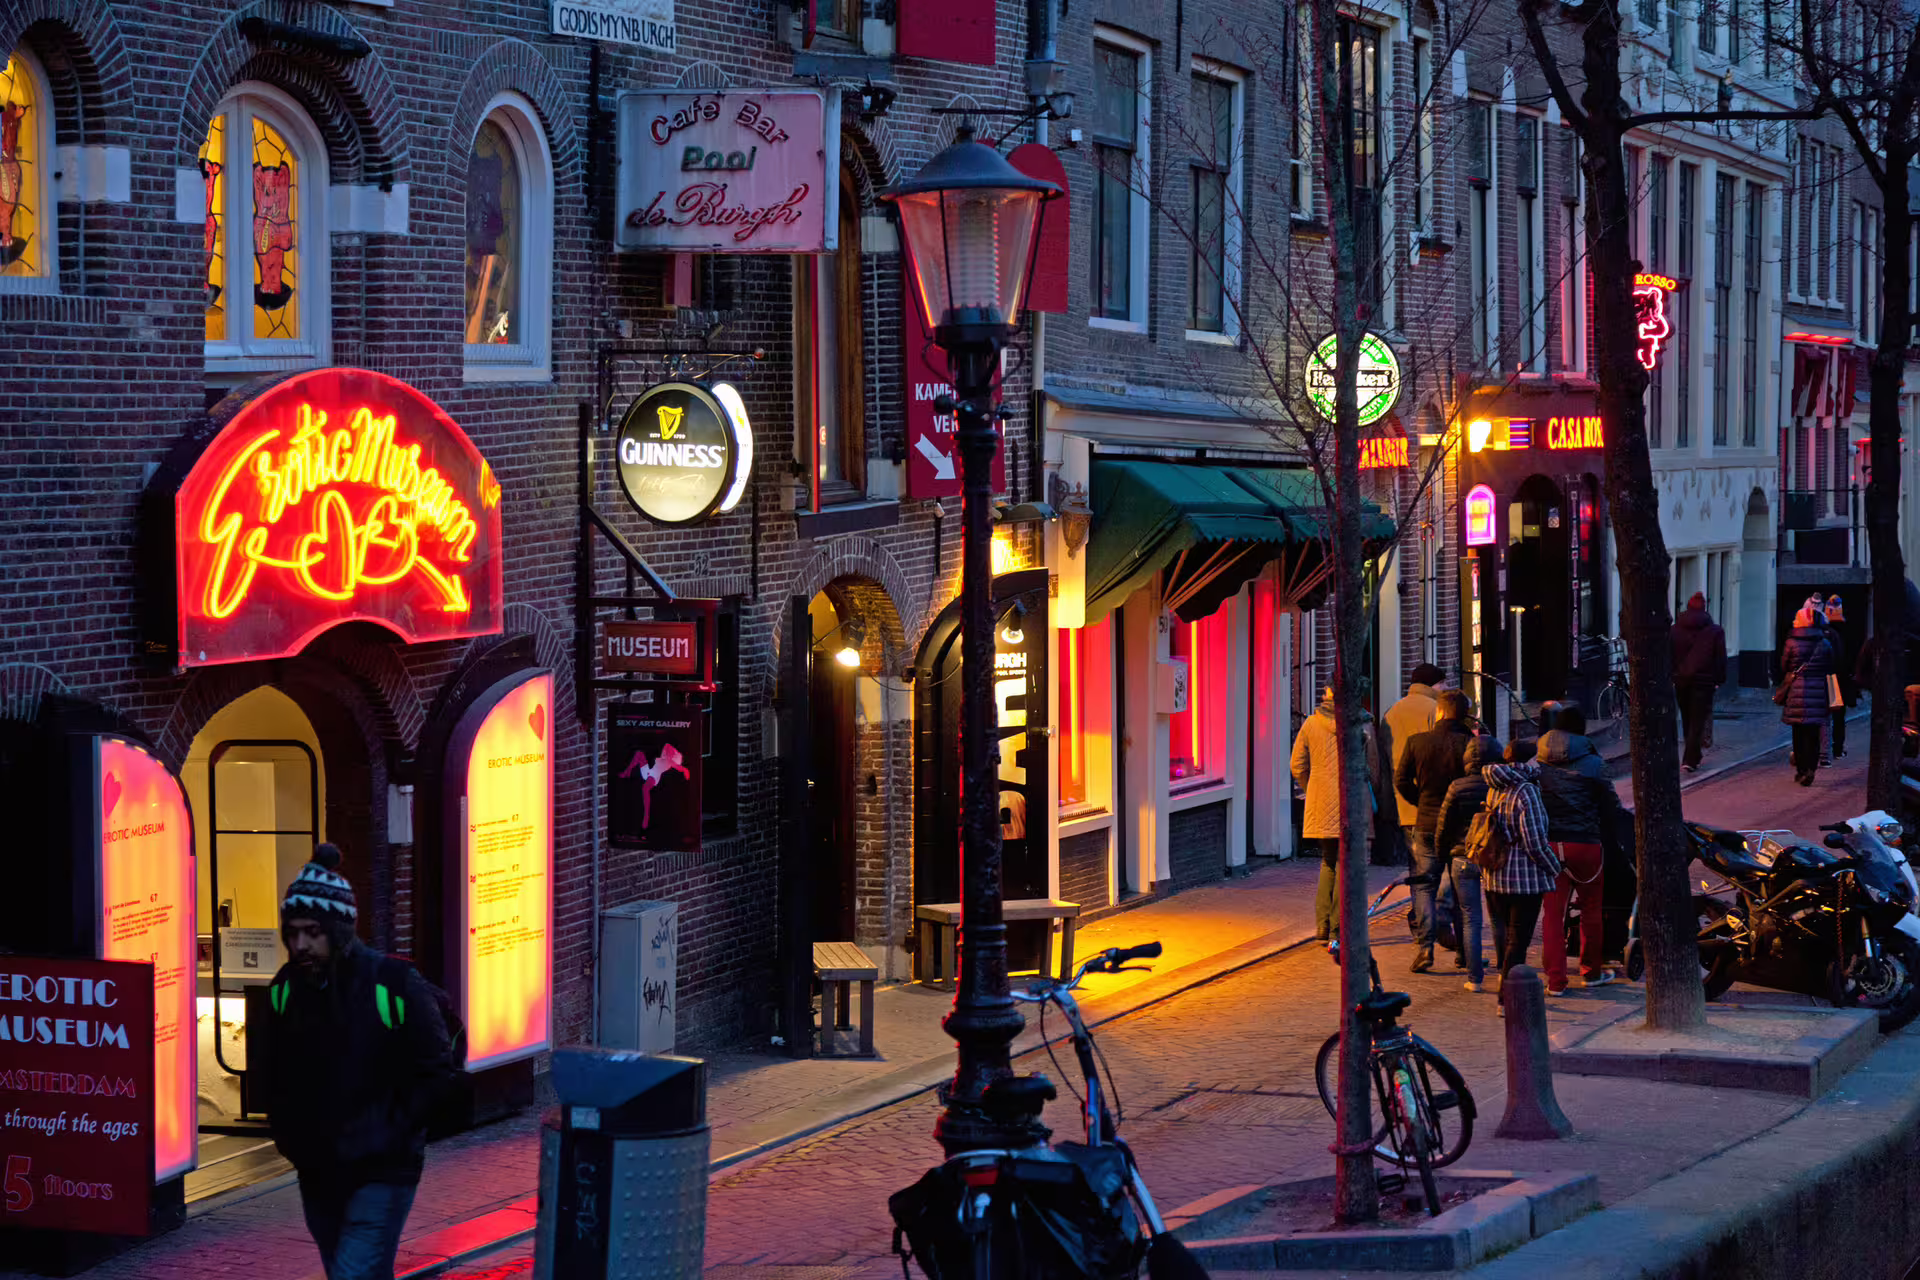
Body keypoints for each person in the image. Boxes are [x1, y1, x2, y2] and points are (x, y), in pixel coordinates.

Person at [263, 844, 456, 1280]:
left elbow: (436, 1071)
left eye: (312, 931)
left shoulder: (393, 984)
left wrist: (388, 1132)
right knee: (347, 1271)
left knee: (353, 1274)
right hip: (318, 1170)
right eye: (292, 933)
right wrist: (291, 1140)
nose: (300, 944)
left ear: (339, 930)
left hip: (383, 1168)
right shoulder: (284, 991)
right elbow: (273, 1077)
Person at [1535, 714, 1627, 994]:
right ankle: (1590, 971)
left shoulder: (1538, 764)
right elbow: (1611, 806)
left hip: (1550, 845)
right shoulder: (1595, 765)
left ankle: (1556, 981)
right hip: (1585, 844)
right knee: (1591, 909)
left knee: (1552, 913)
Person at [1292, 688, 1383, 944]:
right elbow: (1373, 768)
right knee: (1349, 865)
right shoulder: (1363, 723)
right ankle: (1337, 930)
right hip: (1353, 802)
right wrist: (1370, 794)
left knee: (1328, 862)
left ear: (1328, 692)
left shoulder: (1311, 723)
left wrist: (1314, 787)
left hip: (1321, 803)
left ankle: (1322, 926)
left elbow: (1296, 765)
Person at [1394, 689, 1476, 972]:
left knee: (1425, 887)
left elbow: (1400, 779)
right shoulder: (1469, 743)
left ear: (1438, 712)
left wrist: (1421, 801)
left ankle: (1425, 949)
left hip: (1426, 822)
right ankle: (1465, 953)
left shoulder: (1417, 742)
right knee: (1460, 887)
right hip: (1458, 827)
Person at [1481, 757, 1561, 988]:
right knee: (1518, 942)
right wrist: (1554, 867)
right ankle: (1509, 998)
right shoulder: (1526, 792)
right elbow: (1534, 843)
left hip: (1494, 875)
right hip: (1523, 880)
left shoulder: (1493, 788)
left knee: (1508, 938)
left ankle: (1505, 986)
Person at [1435, 735, 1502, 992]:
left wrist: (1443, 855)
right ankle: (1503, 970)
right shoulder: (1498, 786)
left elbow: (1443, 826)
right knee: (1497, 916)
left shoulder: (1457, 787)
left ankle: (1475, 978)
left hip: (1462, 857)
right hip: (1493, 857)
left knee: (1470, 918)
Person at [1779, 606, 1837, 786]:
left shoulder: (1791, 642)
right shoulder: (1825, 642)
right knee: (1813, 733)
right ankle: (1811, 768)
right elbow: (1832, 666)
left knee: (1798, 732)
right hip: (1818, 691)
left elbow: (1784, 666)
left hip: (1796, 690)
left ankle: (1801, 769)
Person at [1670, 592, 1727, 773]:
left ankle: (1692, 753)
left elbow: (1668, 655)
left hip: (1681, 679)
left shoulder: (1674, 630)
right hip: (1704, 682)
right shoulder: (1715, 631)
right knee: (1698, 719)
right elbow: (1720, 658)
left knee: (1687, 717)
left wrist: (1673, 674)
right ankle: (1690, 758)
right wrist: (1719, 679)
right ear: (1704, 608)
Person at [1825, 594, 1858, 759]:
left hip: (1826, 677)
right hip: (1841, 679)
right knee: (1839, 716)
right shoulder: (1848, 631)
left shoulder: (1822, 631)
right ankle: (1837, 748)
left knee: (1823, 715)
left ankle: (1824, 749)